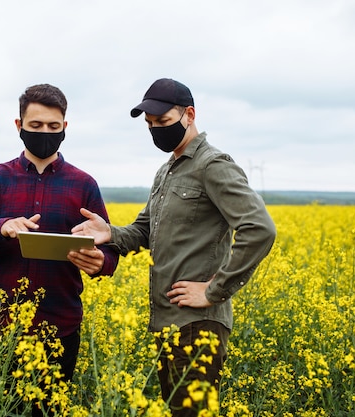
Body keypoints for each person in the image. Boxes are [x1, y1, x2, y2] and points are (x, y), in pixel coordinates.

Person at [72, 78, 276, 416]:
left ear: (190, 114)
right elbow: (143, 230)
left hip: (198, 325)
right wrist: (108, 232)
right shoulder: (167, 170)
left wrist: (214, 290)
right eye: (150, 125)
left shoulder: (212, 165)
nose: (156, 131)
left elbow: (260, 229)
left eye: (163, 122)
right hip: (167, 322)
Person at [0, 83, 119, 416]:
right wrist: (0, 227)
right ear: (19, 126)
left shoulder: (84, 184)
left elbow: (109, 249)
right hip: (1, 329)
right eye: (36, 126)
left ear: (65, 128)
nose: (45, 133)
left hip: (60, 329)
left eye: (54, 127)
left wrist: (99, 261)